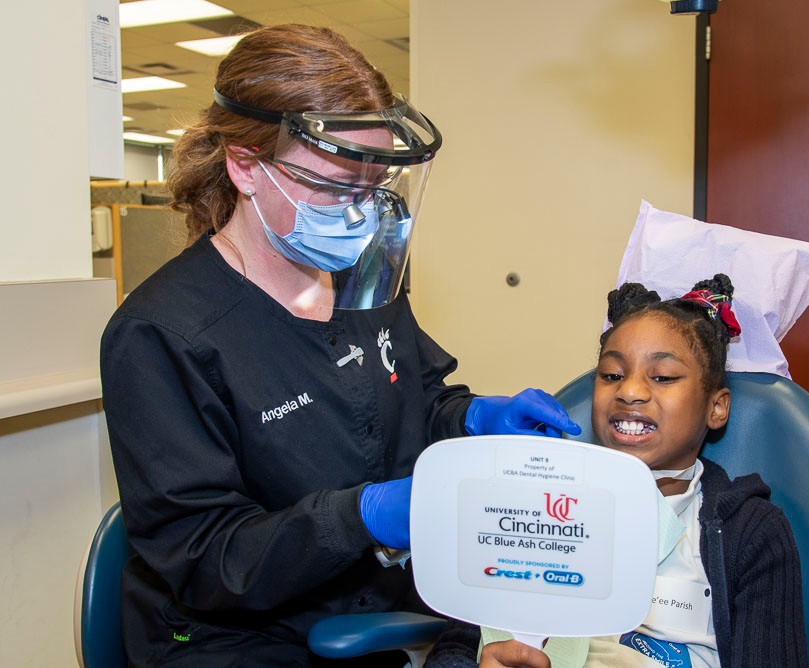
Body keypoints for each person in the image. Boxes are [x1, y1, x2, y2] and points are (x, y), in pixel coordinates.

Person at [100, 24, 580, 667]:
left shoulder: (368, 274)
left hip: (369, 603)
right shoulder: (163, 334)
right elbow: (208, 557)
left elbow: (411, 396)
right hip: (232, 639)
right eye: (333, 188)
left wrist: (471, 418)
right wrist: (363, 517)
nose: (358, 214)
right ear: (246, 166)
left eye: (372, 187)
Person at [426, 274, 807, 668]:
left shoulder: (749, 531)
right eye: (611, 375)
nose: (629, 392)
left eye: (662, 377)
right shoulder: (535, 507)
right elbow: (457, 643)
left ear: (717, 407)